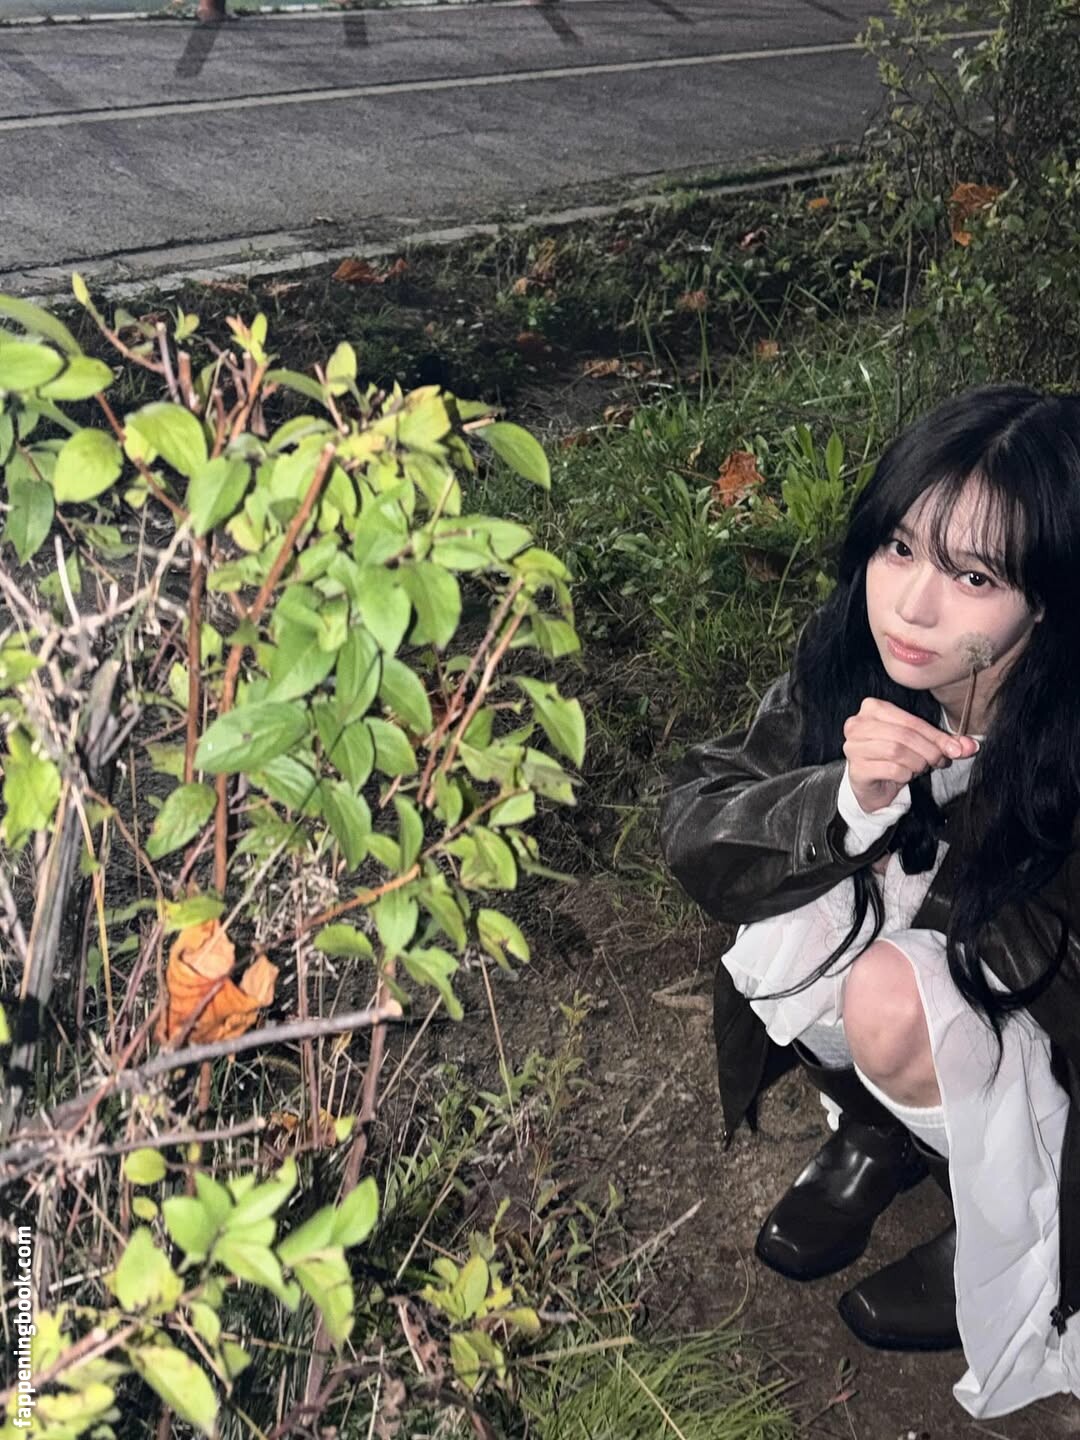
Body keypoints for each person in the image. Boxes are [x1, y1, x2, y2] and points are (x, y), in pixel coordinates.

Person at [659, 385, 1080, 1419]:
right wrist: (846, 806)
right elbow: (700, 825)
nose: (912, 606)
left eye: (973, 575)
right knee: (799, 906)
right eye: (899, 547)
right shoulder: (861, 650)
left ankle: (1006, 1214)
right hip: (945, 959)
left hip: (1049, 1017)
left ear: (1048, 596)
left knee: (890, 997)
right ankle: (886, 1128)